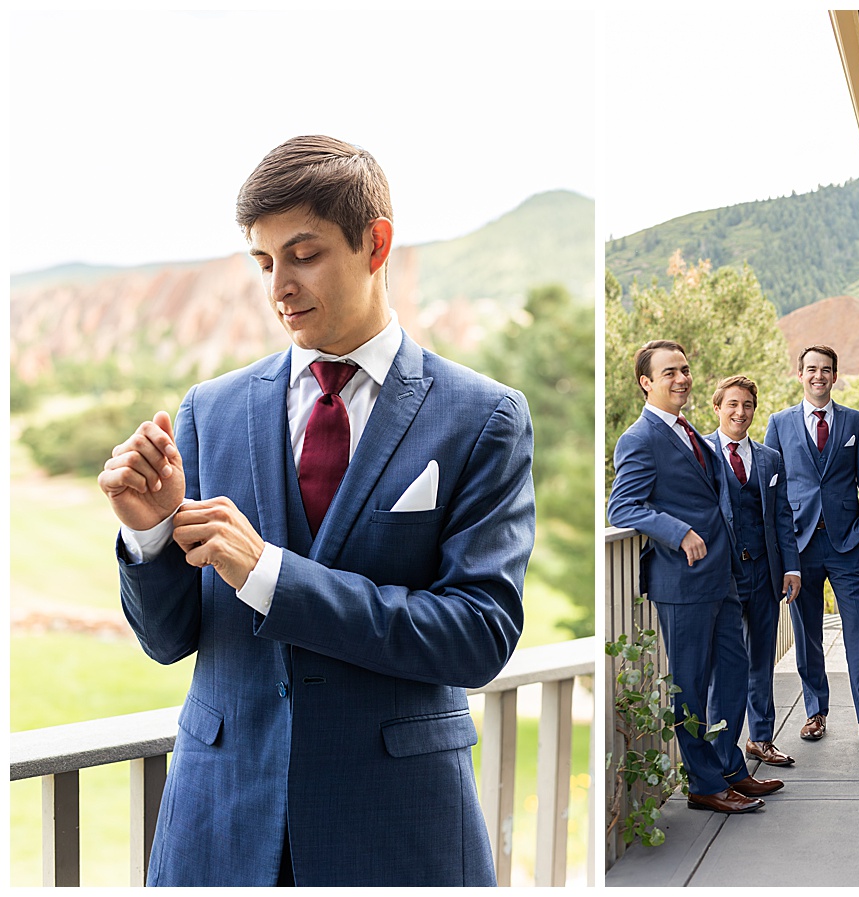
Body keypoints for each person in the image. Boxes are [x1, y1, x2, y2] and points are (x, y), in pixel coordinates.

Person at [98, 136, 536, 886]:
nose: (280, 288)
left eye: (303, 255)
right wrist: (150, 534)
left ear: (376, 243)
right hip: (221, 823)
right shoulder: (211, 409)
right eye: (264, 262)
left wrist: (271, 573)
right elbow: (168, 640)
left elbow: (479, 633)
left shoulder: (483, 417)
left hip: (397, 827)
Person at [608, 341, 783, 814]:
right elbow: (622, 506)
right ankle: (704, 784)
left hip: (722, 577)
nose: (682, 378)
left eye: (684, 370)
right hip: (682, 583)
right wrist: (679, 531)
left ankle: (730, 769)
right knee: (689, 686)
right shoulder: (639, 438)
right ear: (646, 382)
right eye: (669, 373)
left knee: (732, 676)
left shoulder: (691, 433)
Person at [764, 346, 859, 747]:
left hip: (846, 545)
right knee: (807, 635)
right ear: (799, 375)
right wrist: (782, 548)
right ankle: (815, 712)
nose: (818, 376)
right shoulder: (779, 423)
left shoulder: (855, 421)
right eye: (811, 369)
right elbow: (774, 488)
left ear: (835, 376)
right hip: (799, 548)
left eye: (825, 370)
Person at [704, 376, 801, 767]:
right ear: (717, 408)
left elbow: (782, 516)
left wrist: (791, 567)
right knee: (722, 665)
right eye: (732, 405)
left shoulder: (769, 459)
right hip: (721, 576)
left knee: (761, 659)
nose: (739, 413)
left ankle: (761, 739)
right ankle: (717, 748)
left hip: (764, 571)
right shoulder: (702, 455)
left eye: (746, 405)